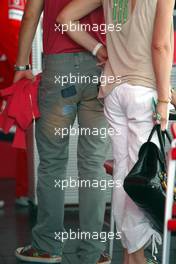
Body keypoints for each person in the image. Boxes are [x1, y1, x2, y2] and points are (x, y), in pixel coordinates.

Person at [56, 0, 175, 263]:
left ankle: (131, 253)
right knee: (143, 175)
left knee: (126, 173)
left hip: (114, 91)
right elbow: (160, 45)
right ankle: (136, 255)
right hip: (143, 92)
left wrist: (99, 49)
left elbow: (65, 18)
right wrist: (165, 99)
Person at [14, 0, 111, 263]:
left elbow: (31, 14)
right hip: (100, 66)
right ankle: (92, 252)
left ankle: (46, 246)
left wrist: (22, 66)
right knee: (93, 164)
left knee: (52, 163)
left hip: (60, 71)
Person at [0, 0, 29, 207]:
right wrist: (23, 66)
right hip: (13, 74)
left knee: (25, 131)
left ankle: (25, 190)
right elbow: (7, 32)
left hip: (22, 73)